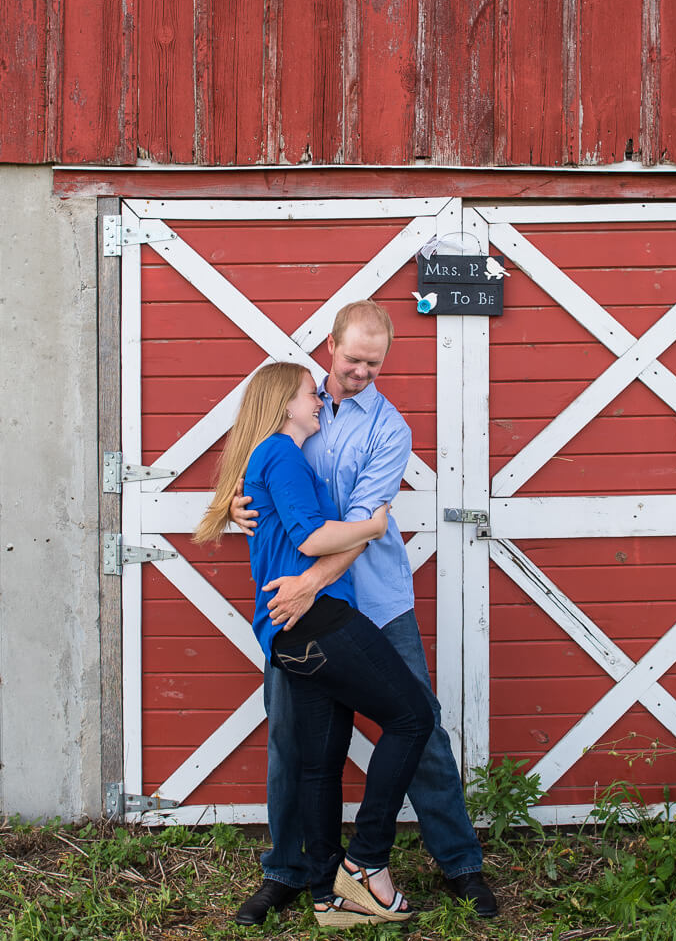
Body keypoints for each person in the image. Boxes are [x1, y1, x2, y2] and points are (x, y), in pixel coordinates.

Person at [232, 300, 499, 926]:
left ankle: (460, 863)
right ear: (330, 347)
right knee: (291, 741)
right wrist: (234, 513)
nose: (360, 372)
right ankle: (289, 872)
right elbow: (255, 485)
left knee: (421, 728)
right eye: (352, 359)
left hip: (375, 600)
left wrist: (307, 584)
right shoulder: (293, 404)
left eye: (373, 365)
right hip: (301, 611)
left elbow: (358, 528)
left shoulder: (388, 430)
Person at [194, 361, 433, 928]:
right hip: (316, 618)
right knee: (414, 718)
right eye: (310, 394)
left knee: (320, 764)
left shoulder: (277, 457)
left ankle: (328, 894)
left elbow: (283, 523)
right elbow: (312, 537)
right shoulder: (280, 452)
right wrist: (375, 526)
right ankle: (368, 859)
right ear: (285, 406)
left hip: (288, 634)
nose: (319, 400)